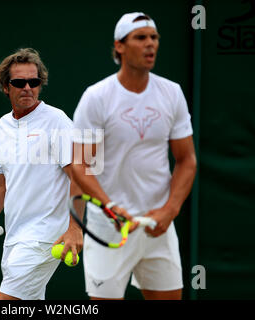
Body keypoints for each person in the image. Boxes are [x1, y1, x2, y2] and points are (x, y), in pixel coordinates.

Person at [70, 12, 197, 300]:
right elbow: (79, 164)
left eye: (154, 38)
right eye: (141, 38)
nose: (150, 44)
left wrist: (170, 210)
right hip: (109, 226)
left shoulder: (172, 93)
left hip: (157, 225)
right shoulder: (97, 96)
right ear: (119, 46)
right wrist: (110, 206)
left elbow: (187, 160)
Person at [0, 48, 82, 300]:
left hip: (45, 237)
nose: (27, 87)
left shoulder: (57, 121)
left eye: (34, 81)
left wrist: (75, 228)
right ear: (6, 87)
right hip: (15, 238)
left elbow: (80, 176)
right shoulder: (2, 125)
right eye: (19, 82)